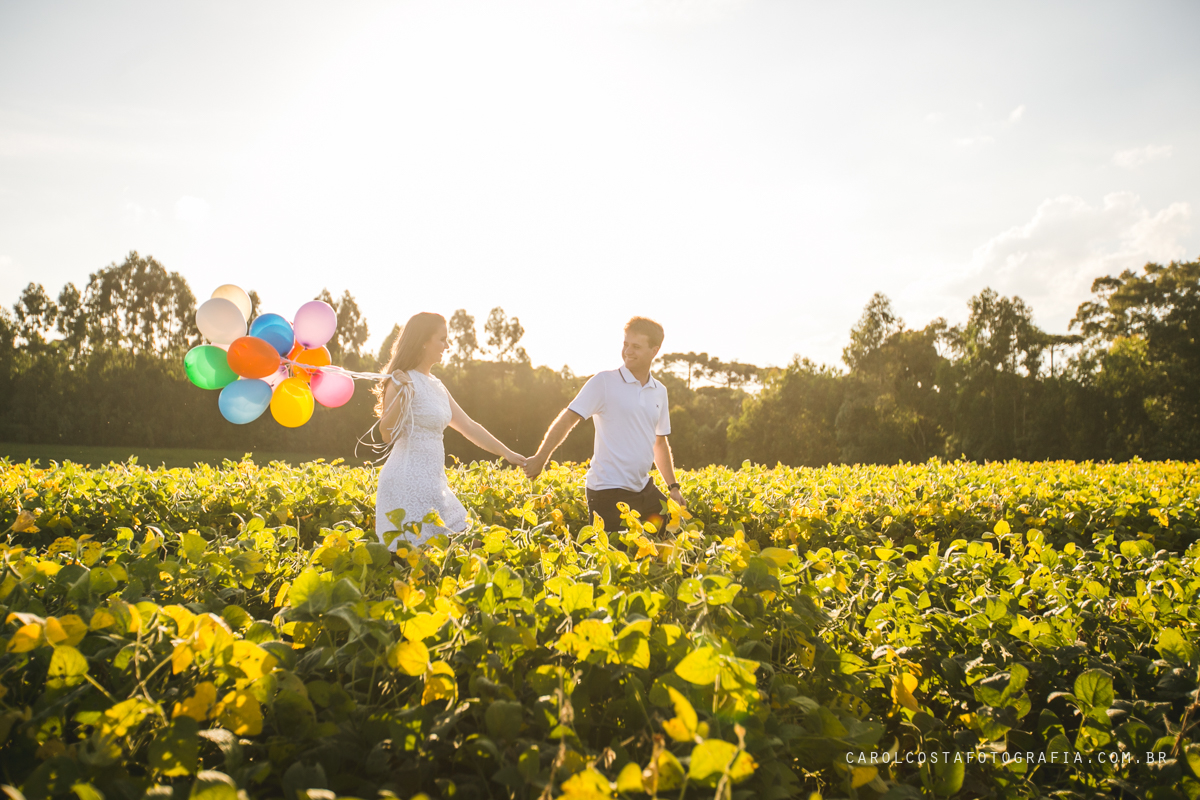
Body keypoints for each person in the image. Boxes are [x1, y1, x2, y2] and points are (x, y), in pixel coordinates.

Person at [372, 312, 525, 549]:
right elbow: (387, 434)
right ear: (423, 341)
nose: (448, 345)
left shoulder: (437, 385)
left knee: (472, 543)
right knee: (422, 565)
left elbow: (470, 426)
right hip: (406, 483)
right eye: (442, 339)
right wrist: (404, 395)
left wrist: (507, 453)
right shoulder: (401, 380)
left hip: (433, 483)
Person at [523, 316, 684, 531]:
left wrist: (673, 487)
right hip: (608, 492)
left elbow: (660, 443)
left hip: (644, 489)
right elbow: (568, 418)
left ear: (654, 351)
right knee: (615, 560)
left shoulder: (659, 391)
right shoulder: (604, 382)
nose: (627, 351)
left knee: (669, 536)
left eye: (636, 346)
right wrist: (541, 457)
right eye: (625, 344)